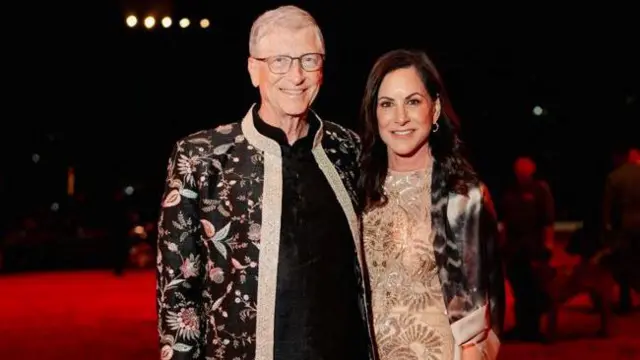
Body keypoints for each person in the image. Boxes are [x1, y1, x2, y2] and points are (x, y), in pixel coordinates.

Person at [155, 6, 375, 360]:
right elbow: (178, 293)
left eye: (308, 59)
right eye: (279, 61)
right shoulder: (201, 157)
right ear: (253, 69)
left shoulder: (347, 148)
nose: (296, 75)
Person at [358, 49, 504, 360]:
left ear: (434, 109)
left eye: (413, 101)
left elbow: (478, 319)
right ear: (374, 113)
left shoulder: (461, 197)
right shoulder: (357, 191)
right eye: (387, 104)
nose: (400, 117)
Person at [501, 156, 554, 341]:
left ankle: (535, 330)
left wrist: (548, 246)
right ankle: (521, 327)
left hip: (534, 248)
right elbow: (506, 222)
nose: (521, 176)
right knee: (518, 288)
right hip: (515, 249)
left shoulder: (540, 190)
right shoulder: (510, 192)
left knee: (535, 289)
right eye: (519, 173)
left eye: (524, 173)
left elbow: (547, 221)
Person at [603, 145, 640, 314]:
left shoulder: (615, 176)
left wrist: (608, 226)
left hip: (624, 227)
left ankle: (625, 301)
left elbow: (608, 206)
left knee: (624, 264)